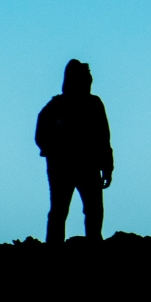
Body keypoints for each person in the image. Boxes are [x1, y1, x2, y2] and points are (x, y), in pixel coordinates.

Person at [35, 59, 114, 245]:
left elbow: (103, 138)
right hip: (68, 166)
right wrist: (53, 152)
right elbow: (41, 135)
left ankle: (90, 242)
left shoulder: (91, 104)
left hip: (81, 166)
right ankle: (58, 246)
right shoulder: (57, 107)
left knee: (87, 209)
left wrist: (107, 166)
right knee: (62, 211)